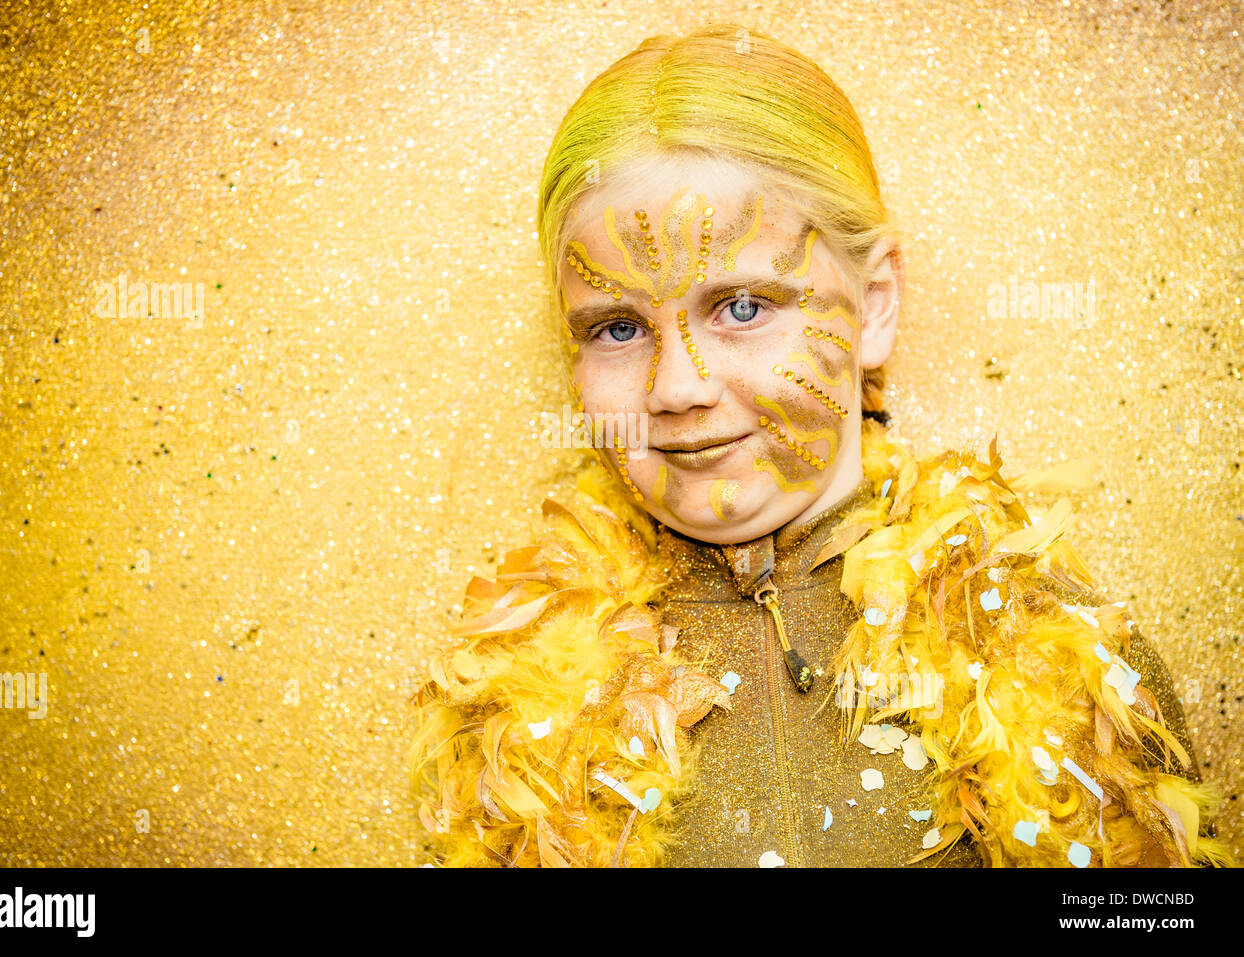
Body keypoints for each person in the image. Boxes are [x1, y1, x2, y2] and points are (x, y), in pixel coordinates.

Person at [407, 24, 1227, 868]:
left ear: (873, 305)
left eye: (743, 307)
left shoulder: (1052, 649)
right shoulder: (512, 698)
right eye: (617, 327)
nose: (676, 387)